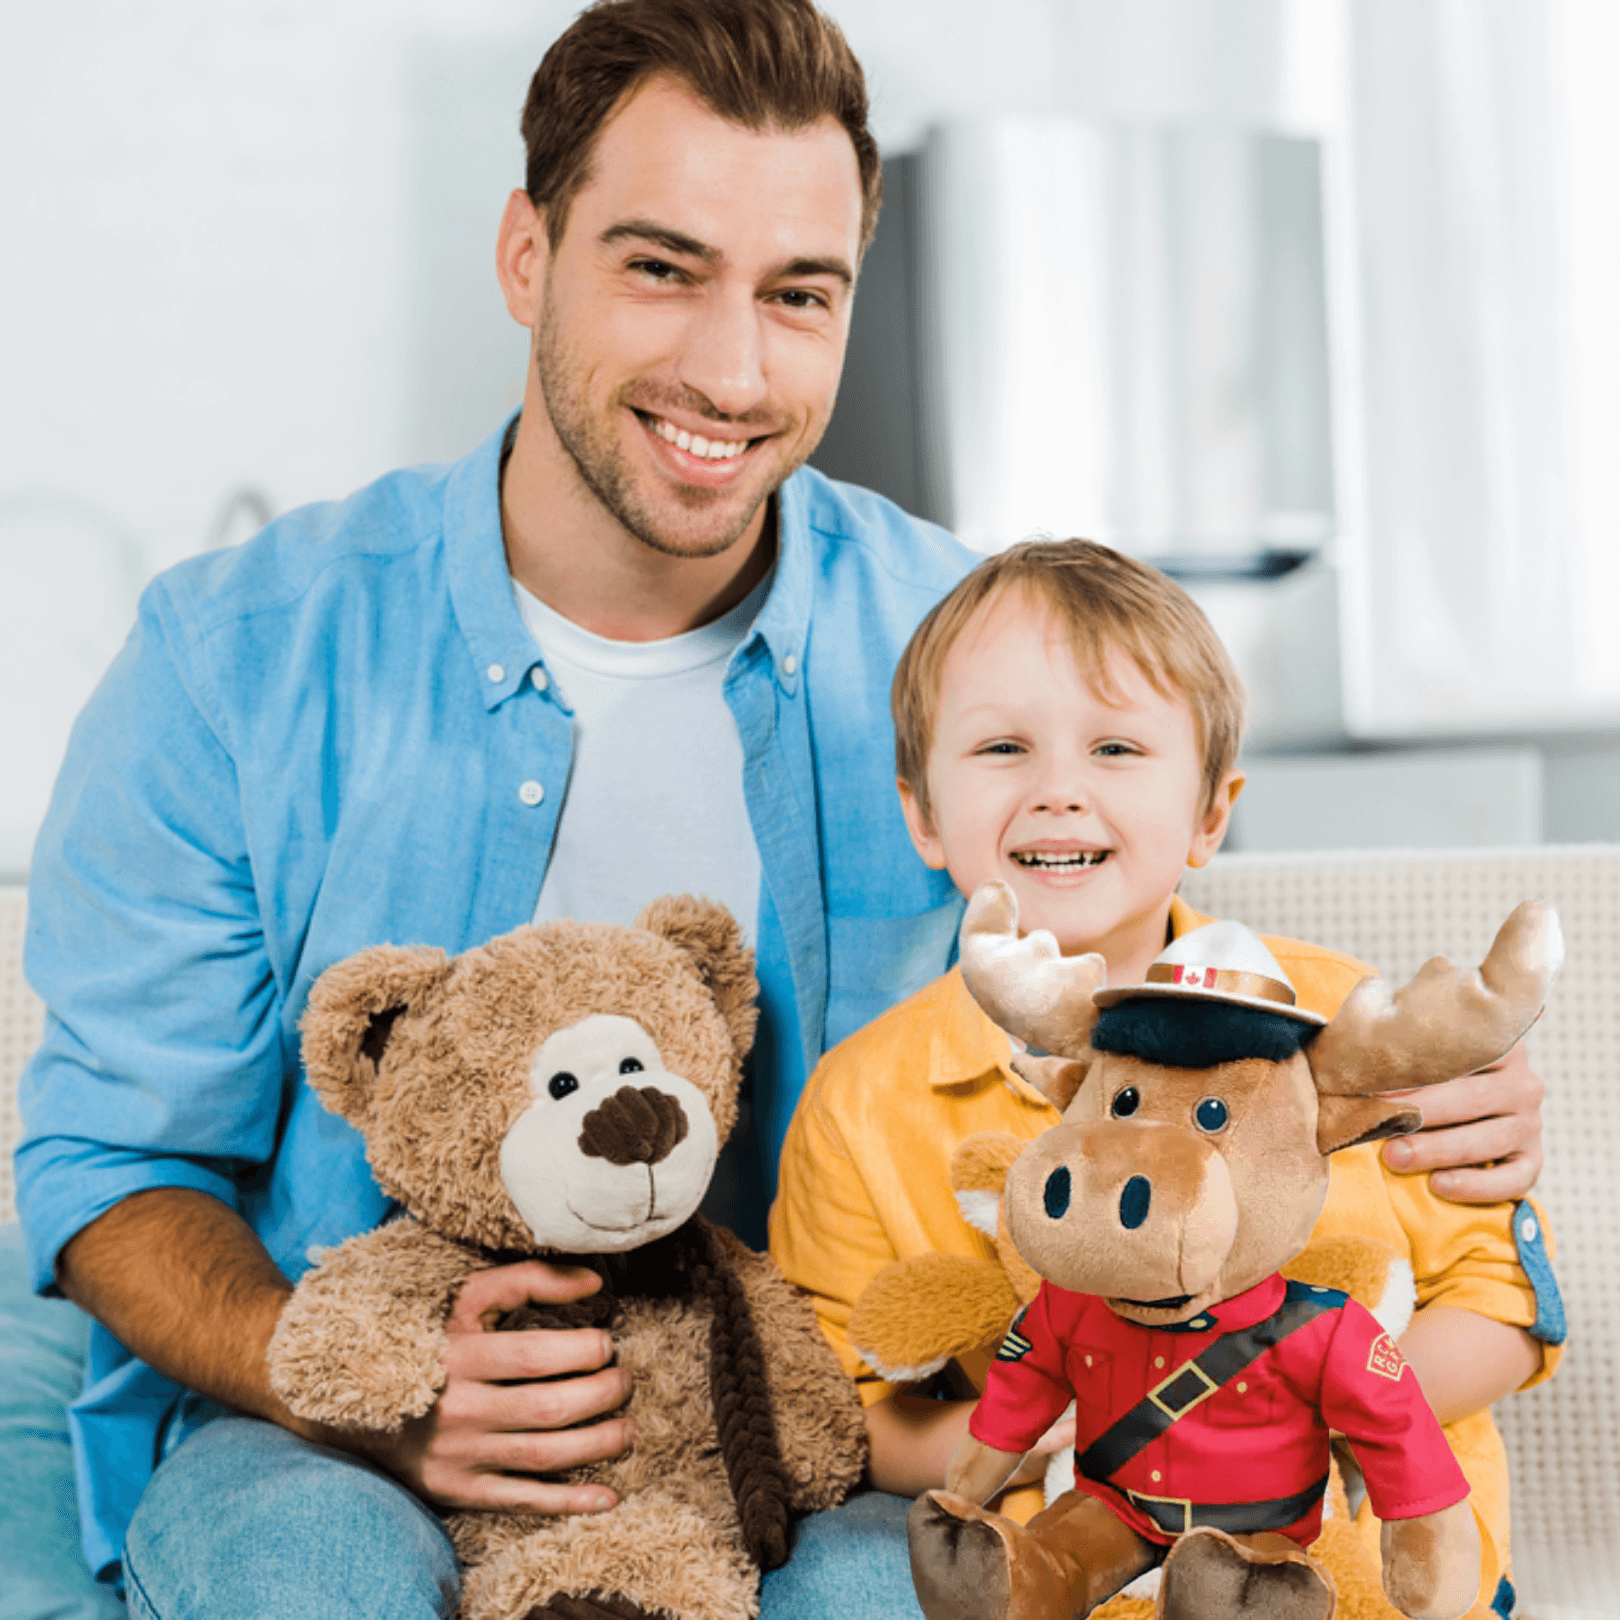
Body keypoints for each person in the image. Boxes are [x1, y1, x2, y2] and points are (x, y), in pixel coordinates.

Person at [8, 2, 1543, 1616]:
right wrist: (345, 1378)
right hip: (324, 1437)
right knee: (315, 1584)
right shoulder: (238, 658)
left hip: (807, 1433)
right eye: (662, 269)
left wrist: (1413, 1099)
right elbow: (111, 1165)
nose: (732, 372)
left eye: (797, 294)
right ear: (527, 254)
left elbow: (1173, 1011)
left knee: (895, 1602)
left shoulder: (978, 663)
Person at [770, 539, 1564, 1619]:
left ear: (1209, 812)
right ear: (922, 814)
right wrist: (1044, 1431)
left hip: (1359, 1570)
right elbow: (843, 1411)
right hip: (1065, 1564)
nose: (1058, 791)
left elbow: (1505, 1309)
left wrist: (1298, 1414)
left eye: (1115, 747)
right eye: (1003, 747)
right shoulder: (861, 1100)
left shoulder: (1355, 1036)